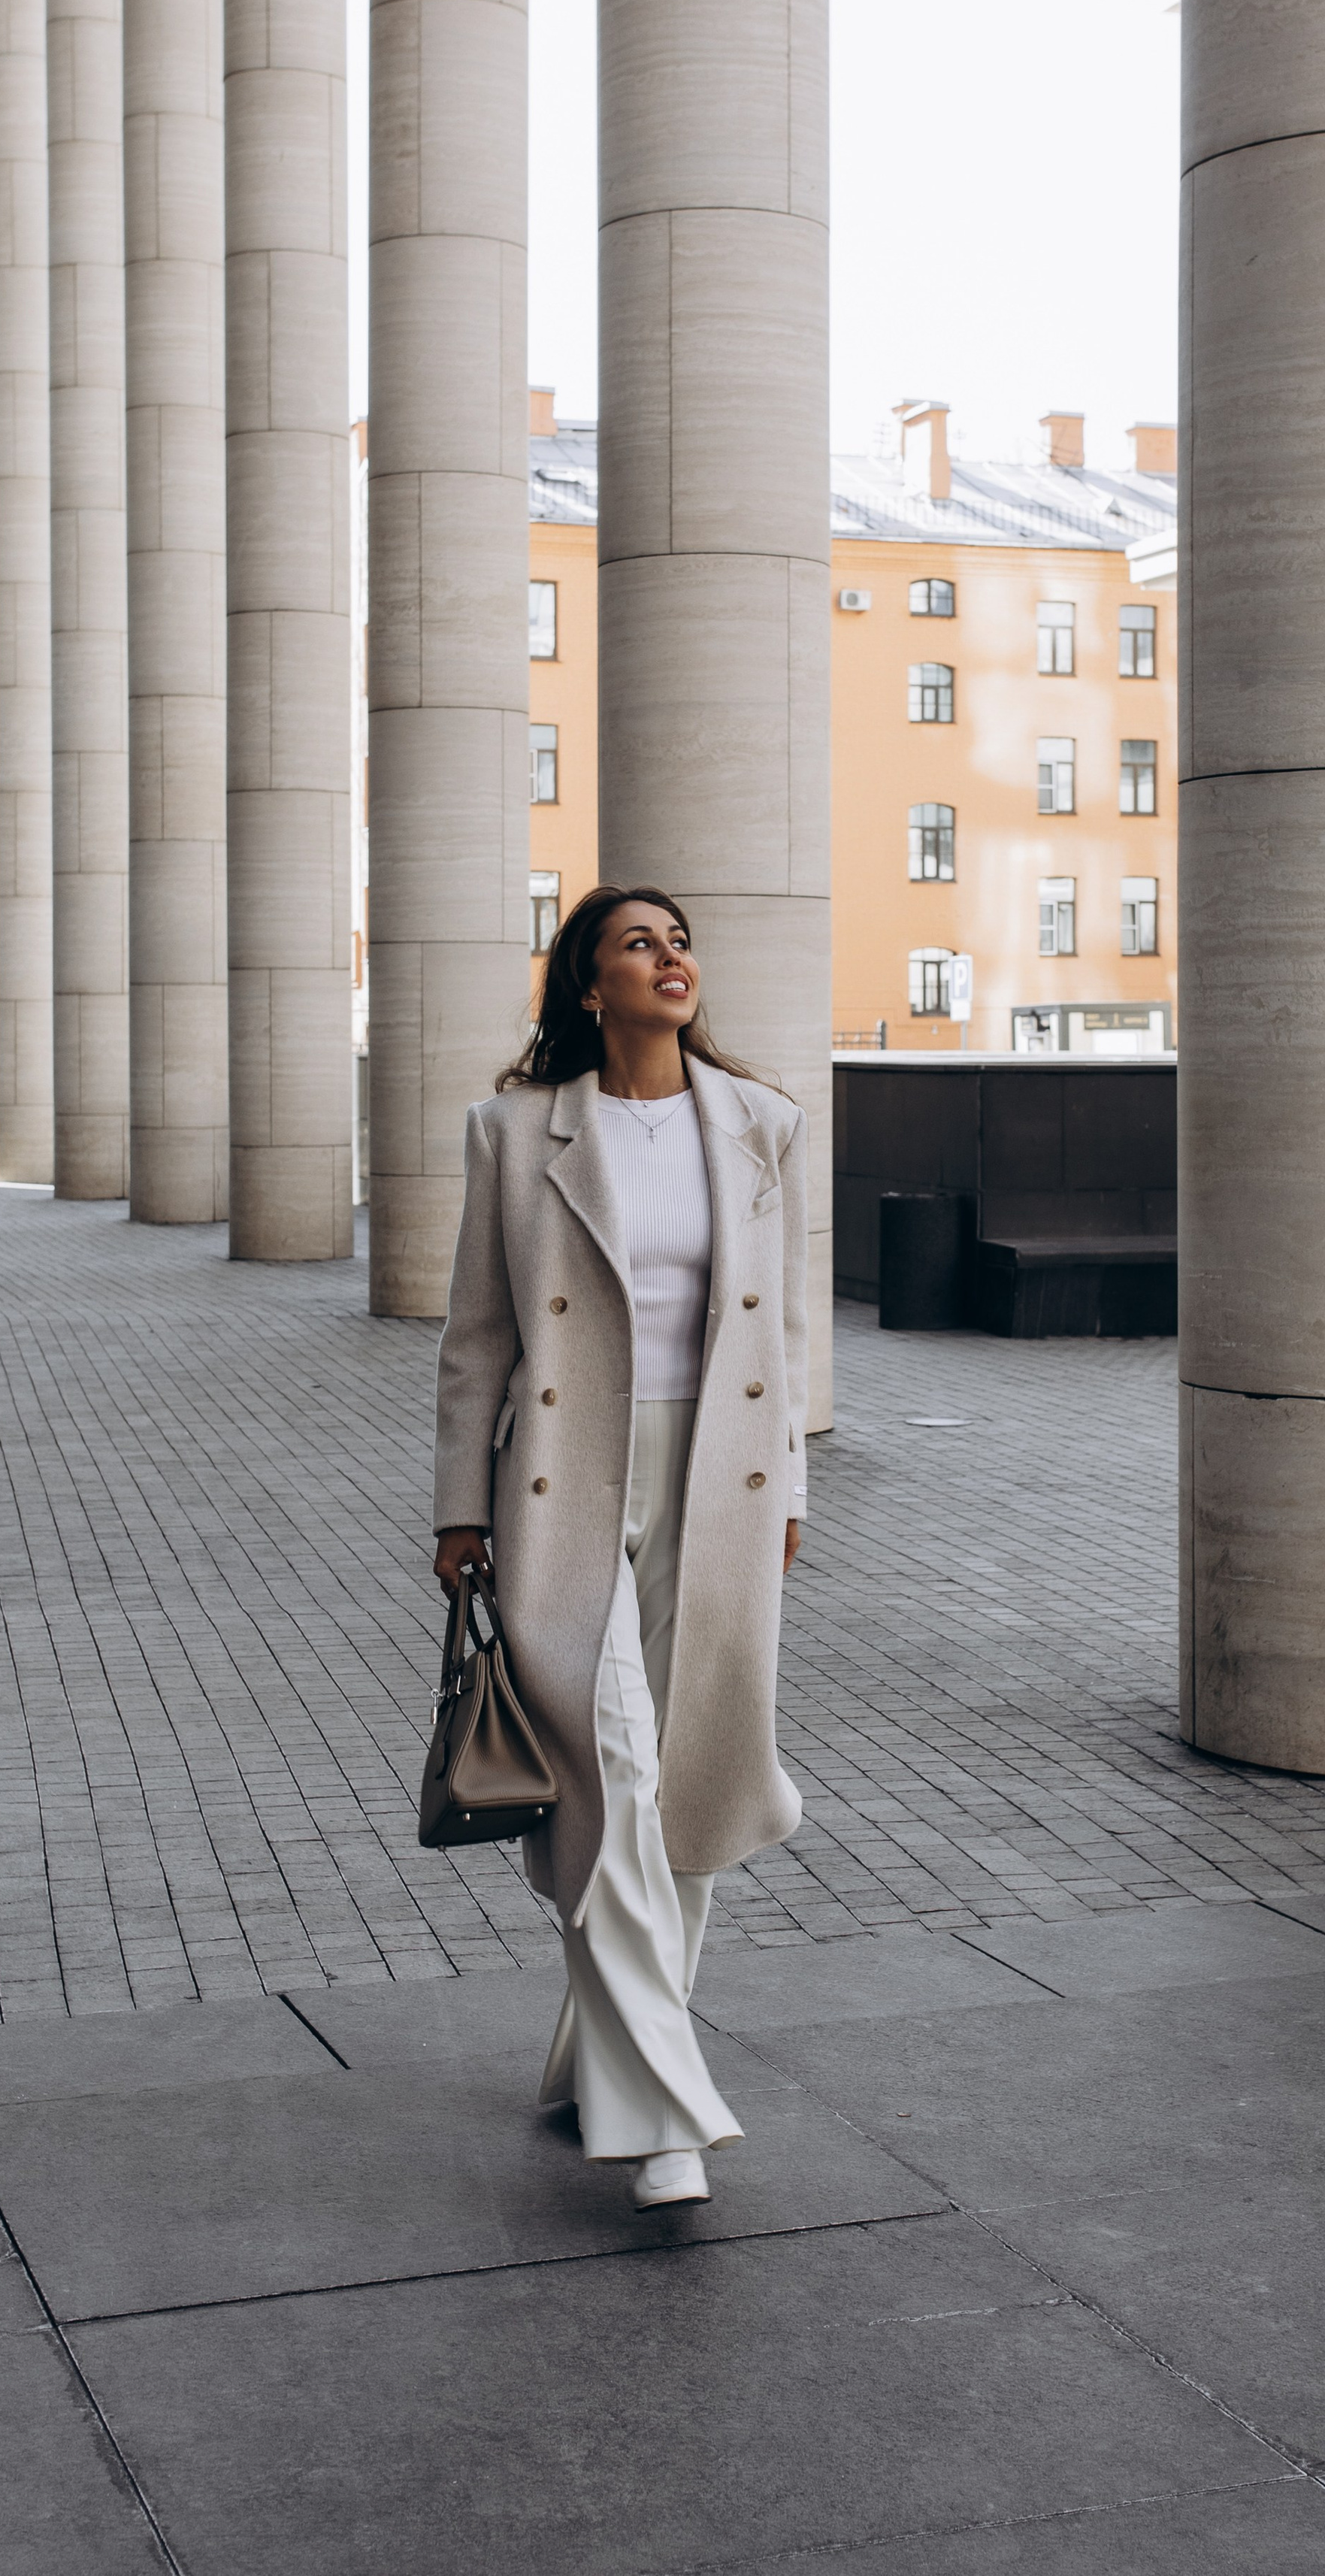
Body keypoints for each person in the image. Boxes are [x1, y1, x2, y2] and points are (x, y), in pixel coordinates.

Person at [432, 884, 808, 2208]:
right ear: (589, 985)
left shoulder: (762, 1124)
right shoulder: (515, 1129)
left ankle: (596, 2053)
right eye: (638, 942)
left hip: (723, 1469)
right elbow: (477, 1335)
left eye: (680, 940)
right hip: (558, 1477)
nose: (671, 958)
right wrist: (456, 1509)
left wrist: (792, 1482)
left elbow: (785, 1333)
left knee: (690, 1774)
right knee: (612, 1765)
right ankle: (665, 2119)